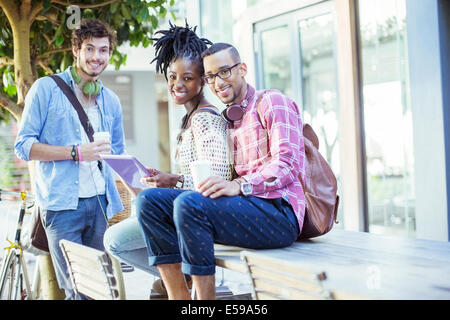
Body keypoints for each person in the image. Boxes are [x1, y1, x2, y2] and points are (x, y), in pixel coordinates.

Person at [135, 42, 306, 300]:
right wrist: (174, 180)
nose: (217, 82)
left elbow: (288, 164)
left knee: (189, 205)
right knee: (149, 201)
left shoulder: (272, 101)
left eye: (224, 71)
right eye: (211, 76)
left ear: (243, 69)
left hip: (280, 213)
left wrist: (240, 185)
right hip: (246, 206)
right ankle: (179, 297)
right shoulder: (231, 119)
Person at [103, 22, 233, 298]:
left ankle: (182, 283)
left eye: (187, 78)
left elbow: (216, 178)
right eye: (173, 76)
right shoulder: (190, 119)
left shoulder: (205, 120)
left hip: (203, 215)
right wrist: (166, 179)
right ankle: (182, 277)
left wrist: (174, 180)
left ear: (203, 81)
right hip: (188, 210)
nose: (177, 84)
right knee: (139, 212)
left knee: (114, 239)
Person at [14, 19, 125, 299]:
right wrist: (75, 152)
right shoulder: (45, 89)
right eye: (89, 49)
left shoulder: (110, 100)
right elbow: (23, 146)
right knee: (77, 290)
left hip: (100, 205)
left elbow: (119, 155)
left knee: (98, 288)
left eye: (103, 50)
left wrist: (143, 182)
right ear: (76, 49)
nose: (96, 57)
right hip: (61, 207)